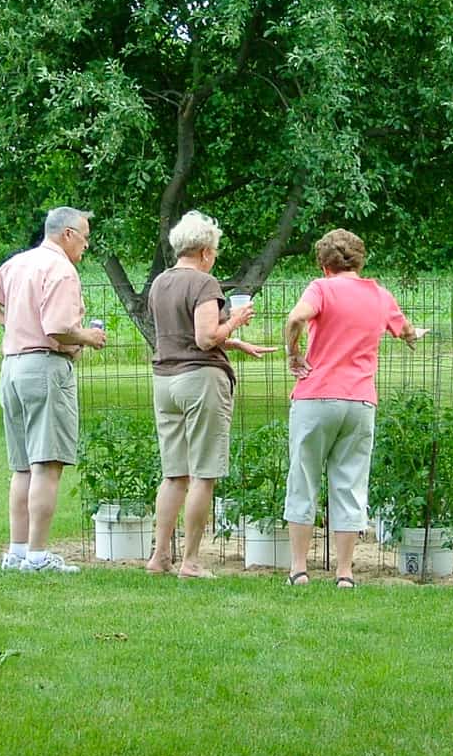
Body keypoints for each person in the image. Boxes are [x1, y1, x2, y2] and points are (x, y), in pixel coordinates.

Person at [0, 206, 107, 573]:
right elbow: (58, 326)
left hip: (12, 367)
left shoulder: (18, 263)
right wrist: (87, 337)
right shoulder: (60, 269)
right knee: (47, 464)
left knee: (23, 466)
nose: (86, 245)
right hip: (45, 366)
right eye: (85, 237)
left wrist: (10, 322)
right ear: (68, 234)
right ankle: (39, 555)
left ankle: (17, 551)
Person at [282, 229, 427, 588]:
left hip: (315, 397)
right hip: (360, 401)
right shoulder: (380, 296)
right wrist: (412, 334)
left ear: (323, 264)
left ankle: (299, 570)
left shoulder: (320, 289)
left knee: (303, 478)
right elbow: (405, 330)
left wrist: (293, 353)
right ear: (360, 260)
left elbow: (295, 319)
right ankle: (345, 573)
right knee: (349, 484)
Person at [145, 210, 275, 578]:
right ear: (204, 251)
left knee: (174, 474)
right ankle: (191, 561)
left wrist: (234, 343)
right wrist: (235, 319)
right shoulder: (205, 284)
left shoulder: (160, 283)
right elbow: (203, 339)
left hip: (165, 380)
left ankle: (158, 558)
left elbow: (181, 333)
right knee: (204, 473)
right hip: (200, 380)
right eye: (214, 251)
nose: (214, 257)